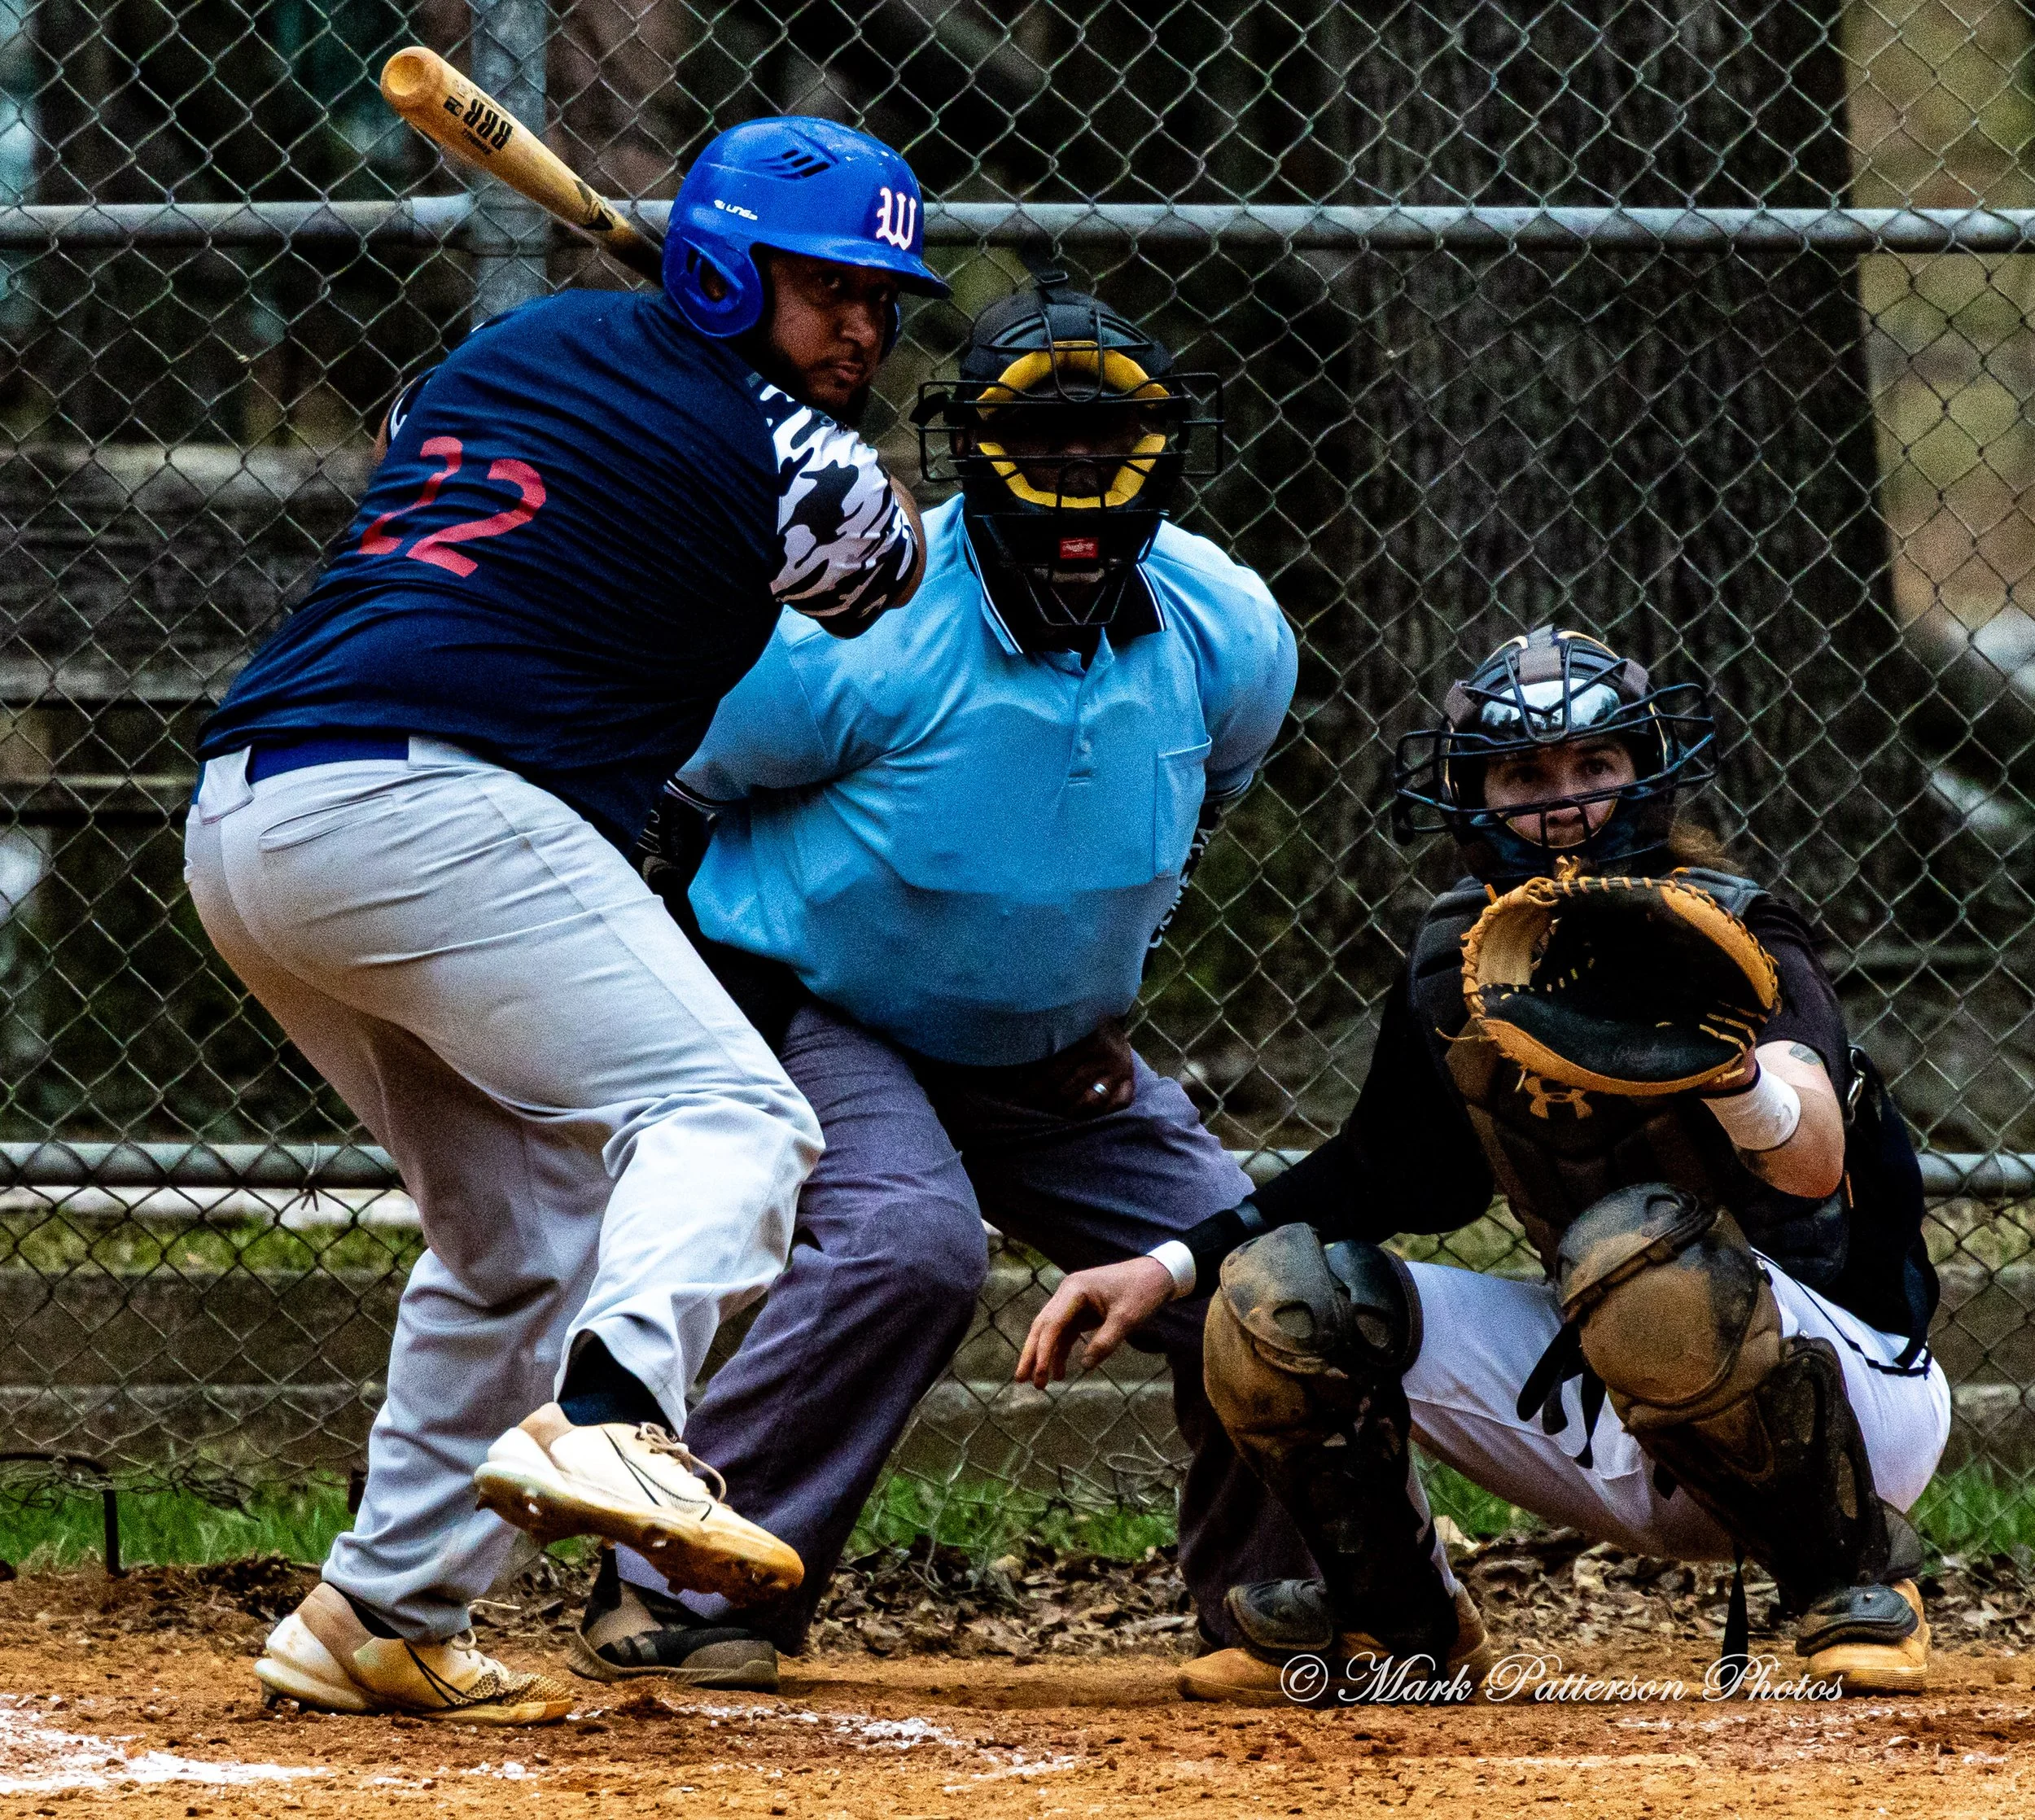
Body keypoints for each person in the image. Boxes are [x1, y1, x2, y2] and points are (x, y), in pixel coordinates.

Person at [184, 116, 947, 1723]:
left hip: (253, 820)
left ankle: (382, 1607)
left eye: (882, 300)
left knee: (518, 1237)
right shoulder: (801, 461)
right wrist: (734, 398)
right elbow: (877, 573)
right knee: (732, 1111)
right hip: (434, 806)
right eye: (828, 292)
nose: (866, 331)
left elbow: (419, 428)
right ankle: (613, 1414)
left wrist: (676, 354)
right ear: (728, 270)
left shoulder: (508, 345)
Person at [565, 273, 1317, 1692]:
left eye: (1116, 444)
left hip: (1052, 1053)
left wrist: (1079, 998)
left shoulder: (1230, 633)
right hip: (820, 1006)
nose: (1082, 480)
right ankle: (685, 1576)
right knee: (913, 1244)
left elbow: (1175, 816)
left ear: (1170, 452)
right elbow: (674, 791)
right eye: (1047, 445)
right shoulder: (856, 629)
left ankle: (1296, 1586)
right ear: (973, 451)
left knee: (1275, 1275)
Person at [1021, 626, 1948, 1702]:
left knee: (1633, 1253)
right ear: (1474, 795)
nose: (1565, 801)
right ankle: (1401, 1621)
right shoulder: (1458, 964)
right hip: (1619, 1371)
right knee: (1279, 1297)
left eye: (1595, 765)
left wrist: (1730, 1074)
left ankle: (1855, 1581)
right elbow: (1382, 1174)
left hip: (1848, 1395)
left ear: (1644, 773)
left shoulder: (1741, 933)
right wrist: (1171, 1265)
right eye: (1525, 774)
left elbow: (1813, 1165)